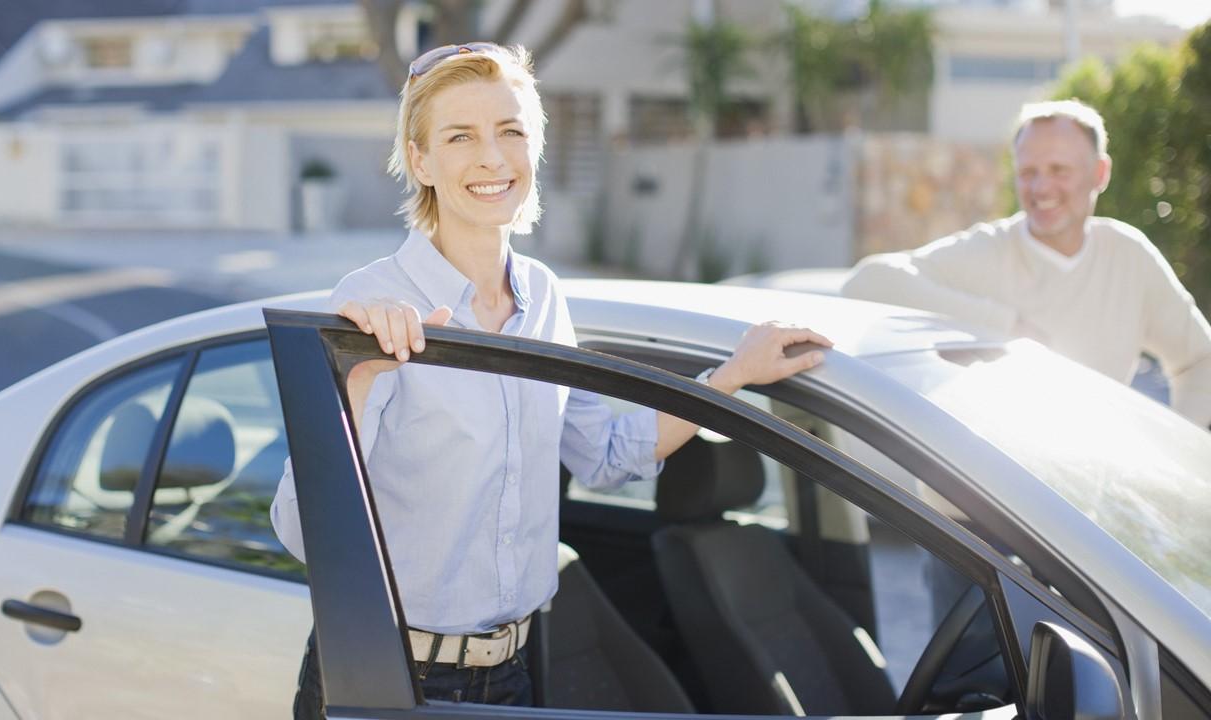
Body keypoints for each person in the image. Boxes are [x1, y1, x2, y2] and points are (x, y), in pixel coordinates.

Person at [270, 42, 832, 716]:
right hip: (386, 677)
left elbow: (604, 455)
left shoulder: (543, 295)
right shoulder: (369, 305)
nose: (492, 157)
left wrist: (735, 375)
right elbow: (301, 530)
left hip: (513, 675)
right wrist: (356, 379)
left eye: (511, 131)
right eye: (460, 136)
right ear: (419, 160)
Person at [842, 99, 1211, 428]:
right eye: (1028, 173)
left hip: (1084, 498)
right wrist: (1002, 326)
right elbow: (866, 284)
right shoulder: (987, 250)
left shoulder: (1129, 258)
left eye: (1058, 170)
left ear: (1099, 174)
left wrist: (1179, 454)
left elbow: (1200, 359)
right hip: (972, 499)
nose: (1040, 188)